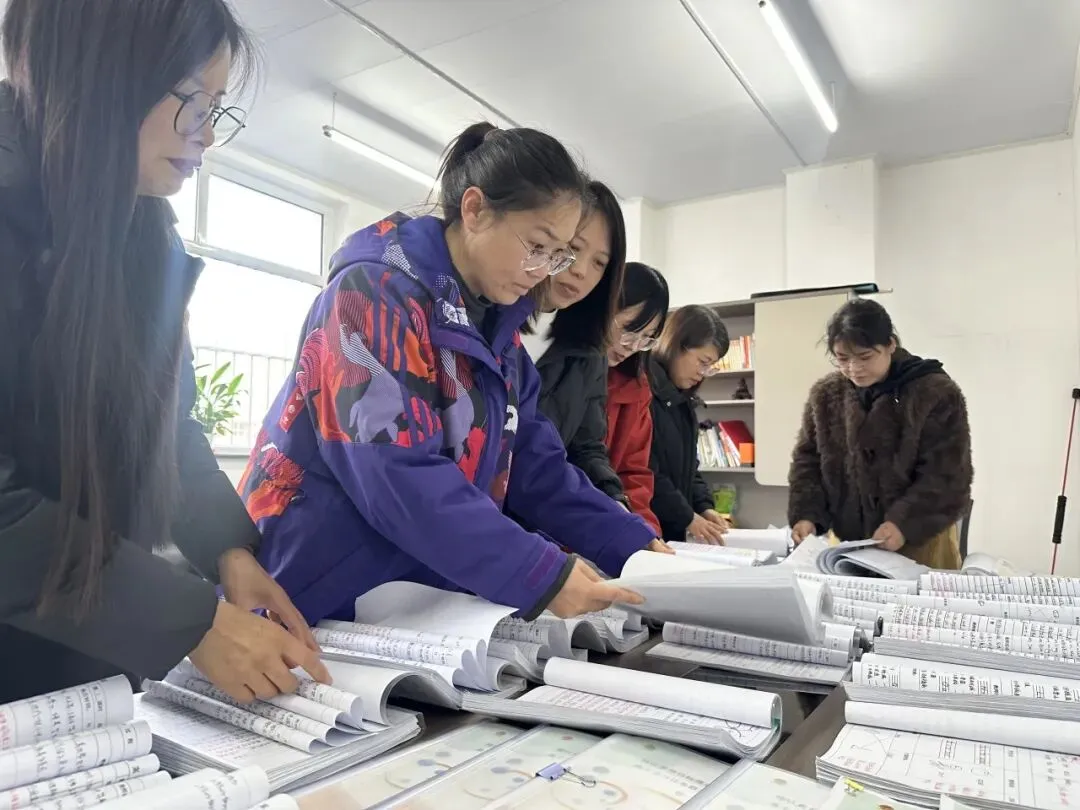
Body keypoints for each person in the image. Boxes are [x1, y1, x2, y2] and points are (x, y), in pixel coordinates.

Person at [0, 0, 330, 705]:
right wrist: (187, 620)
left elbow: (167, 430)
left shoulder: (148, 235)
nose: (207, 134)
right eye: (191, 102)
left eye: (217, 108)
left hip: (80, 659)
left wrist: (228, 550)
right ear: (102, 77)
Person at [241, 122, 665, 627]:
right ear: (475, 209)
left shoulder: (499, 336)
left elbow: (535, 465)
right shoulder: (372, 296)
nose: (543, 271)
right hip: (310, 588)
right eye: (537, 245)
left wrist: (630, 544)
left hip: (402, 600)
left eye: (557, 256)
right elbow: (397, 474)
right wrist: (540, 571)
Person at [788, 298, 971, 569]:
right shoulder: (826, 395)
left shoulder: (934, 393)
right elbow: (808, 462)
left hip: (920, 541)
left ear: (890, 344)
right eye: (842, 358)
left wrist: (903, 523)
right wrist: (807, 515)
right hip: (849, 544)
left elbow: (947, 473)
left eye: (865, 357)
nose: (854, 368)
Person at [527, 181, 635, 510]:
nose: (580, 271)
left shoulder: (589, 353)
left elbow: (586, 446)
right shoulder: (494, 321)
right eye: (573, 248)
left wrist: (614, 500)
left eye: (599, 263)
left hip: (533, 518)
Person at [647, 305, 731, 543]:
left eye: (710, 367)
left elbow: (689, 469)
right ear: (675, 345)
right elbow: (646, 471)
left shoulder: (683, 403)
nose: (703, 373)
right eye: (702, 362)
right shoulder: (643, 393)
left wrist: (704, 507)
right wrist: (686, 516)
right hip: (646, 529)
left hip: (671, 533)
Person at [605, 262, 670, 534]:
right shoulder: (564, 370)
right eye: (629, 329)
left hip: (610, 528)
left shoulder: (636, 389)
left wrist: (647, 533)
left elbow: (634, 474)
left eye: (646, 338)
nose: (632, 347)